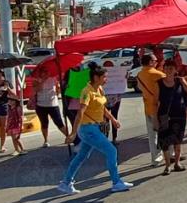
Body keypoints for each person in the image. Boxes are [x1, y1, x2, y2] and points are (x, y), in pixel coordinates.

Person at [57, 67, 133, 195]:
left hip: (94, 127)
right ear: (96, 77)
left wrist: (113, 119)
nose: (106, 80)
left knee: (81, 156)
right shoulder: (87, 92)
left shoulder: (99, 89)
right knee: (111, 150)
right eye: (104, 77)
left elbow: (102, 107)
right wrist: (73, 132)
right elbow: (80, 113)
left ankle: (66, 183)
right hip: (88, 129)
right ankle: (116, 182)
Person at [157, 60, 187, 175]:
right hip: (164, 116)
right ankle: (167, 166)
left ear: (175, 70)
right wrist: (154, 118)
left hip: (179, 115)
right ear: (164, 69)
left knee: (178, 141)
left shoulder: (180, 81)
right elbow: (155, 102)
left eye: (171, 68)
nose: (169, 70)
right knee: (165, 143)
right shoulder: (158, 83)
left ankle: (177, 163)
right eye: (167, 68)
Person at [137, 54, 166, 167]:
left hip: (148, 107)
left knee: (152, 135)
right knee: (165, 132)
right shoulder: (157, 74)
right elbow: (168, 81)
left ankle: (155, 158)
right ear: (150, 62)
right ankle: (171, 154)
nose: (157, 61)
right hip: (159, 107)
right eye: (155, 60)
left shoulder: (140, 74)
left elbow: (140, 87)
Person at [33, 68, 68, 148]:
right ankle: (46, 140)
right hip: (41, 105)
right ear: (40, 73)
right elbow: (37, 90)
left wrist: (58, 89)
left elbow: (58, 91)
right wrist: (43, 80)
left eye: (46, 71)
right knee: (44, 123)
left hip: (53, 104)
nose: (45, 73)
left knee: (59, 123)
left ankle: (68, 136)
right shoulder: (36, 80)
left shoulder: (54, 79)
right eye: (43, 72)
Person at [102, 60, 129, 145]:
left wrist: (125, 77)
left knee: (114, 119)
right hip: (105, 102)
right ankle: (105, 138)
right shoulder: (102, 77)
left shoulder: (117, 75)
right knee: (105, 121)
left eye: (110, 66)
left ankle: (114, 138)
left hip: (116, 101)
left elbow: (122, 84)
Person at [173, 53, 187, 130]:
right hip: (176, 89)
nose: (179, 61)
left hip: (186, 88)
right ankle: (179, 124)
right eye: (177, 60)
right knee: (177, 108)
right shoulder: (173, 68)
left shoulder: (186, 67)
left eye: (180, 59)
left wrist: (185, 79)